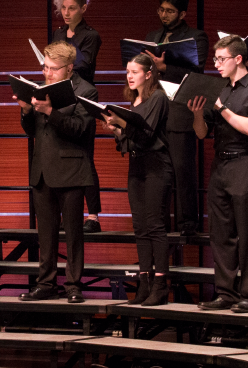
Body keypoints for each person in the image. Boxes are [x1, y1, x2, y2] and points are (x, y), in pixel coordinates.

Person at [193, 35, 248, 313]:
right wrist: (198, 114)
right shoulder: (221, 90)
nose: (217, 65)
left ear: (238, 59)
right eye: (215, 59)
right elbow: (202, 133)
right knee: (221, 232)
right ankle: (225, 292)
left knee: (246, 231)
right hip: (220, 164)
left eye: (221, 59)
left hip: (244, 161)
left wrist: (220, 107)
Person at [17, 41, 97, 304]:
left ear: (69, 68)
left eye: (53, 68)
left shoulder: (86, 91)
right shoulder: (41, 89)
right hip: (42, 170)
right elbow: (33, 131)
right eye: (45, 67)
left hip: (72, 170)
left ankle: (73, 285)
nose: (47, 73)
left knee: (73, 234)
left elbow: (79, 129)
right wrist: (27, 111)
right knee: (46, 234)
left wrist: (50, 111)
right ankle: (46, 283)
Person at [100, 54, 172, 306]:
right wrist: (117, 129)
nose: (129, 76)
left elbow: (148, 136)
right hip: (137, 163)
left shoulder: (158, 98)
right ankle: (145, 282)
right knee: (140, 227)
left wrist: (123, 124)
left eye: (135, 71)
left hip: (156, 165)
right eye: (127, 71)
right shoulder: (135, 100)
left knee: (154, 225)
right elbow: (133, 138)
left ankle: (161, 285)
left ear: (149, 74)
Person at [143, 0, 209, 236]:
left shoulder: (196, 37)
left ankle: (187, 224)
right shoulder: (152, 36)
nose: (164, 15)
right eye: (161, 9)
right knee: (157, 171)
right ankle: (159, 223)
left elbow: (196, 73)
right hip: (155, 110)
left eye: (170, 11)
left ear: (182, 13)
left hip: (181, 110)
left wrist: (165, 67)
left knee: (183, 170)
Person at [49, 0, 104, 233]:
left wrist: (69, 48)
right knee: (61, 151)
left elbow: (84, 64)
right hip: (61, 94)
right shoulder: (58, 33)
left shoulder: (90, 35)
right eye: (63, 8)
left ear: (83, 8)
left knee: (85, 155)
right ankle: (64, 214)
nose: (66, 13)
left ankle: (93, 216)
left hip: (82, 94)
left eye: (72, 8)